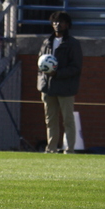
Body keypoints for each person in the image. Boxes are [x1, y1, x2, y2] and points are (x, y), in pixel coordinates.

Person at [38, 11, 83, 153]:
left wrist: (57, 73)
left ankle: (69, 149)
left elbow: (76, 67)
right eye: (55, 22)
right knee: (50, 120)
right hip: (48, 88)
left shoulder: (73, 44)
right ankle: (51, 148)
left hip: (65, 88)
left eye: (61, 22)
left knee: (68, 120)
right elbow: (40, 63)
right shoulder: (46, 42)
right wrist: (43, 80)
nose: (57, 25)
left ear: (67, 25)